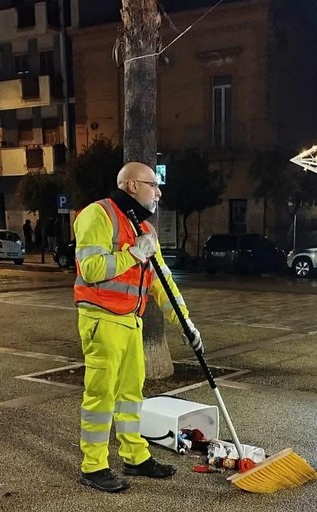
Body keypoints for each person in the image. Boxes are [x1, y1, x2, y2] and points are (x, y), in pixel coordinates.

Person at [73, 161, 203, 493]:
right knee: (101, 395)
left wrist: (184, 321)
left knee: (132, 394)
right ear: (132, 185)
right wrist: (133, 254)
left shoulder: (145, 228)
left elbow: (161, 280)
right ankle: (94, 466)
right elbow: (90, 268)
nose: (158, 192)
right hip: (101, 318)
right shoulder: (96, 216)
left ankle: (134, 455)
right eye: (153, 185)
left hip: (131, 321)